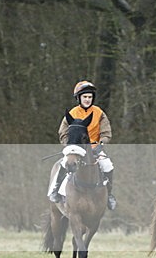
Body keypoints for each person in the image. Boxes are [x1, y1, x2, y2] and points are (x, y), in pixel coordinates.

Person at [48, 80, 117, 210]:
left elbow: (106, 133)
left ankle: (109, 195)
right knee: (64, 164)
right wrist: (68, 146)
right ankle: (56, 190)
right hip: (75, 149)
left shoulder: (99, 113)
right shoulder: (71, 114)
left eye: (90, 97)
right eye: (85, 97)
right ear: (79, 98)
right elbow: (63, 133)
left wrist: (101, 144)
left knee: (108, 165)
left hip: (94, 149)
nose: (87, 99)